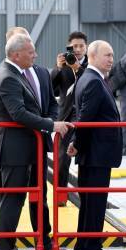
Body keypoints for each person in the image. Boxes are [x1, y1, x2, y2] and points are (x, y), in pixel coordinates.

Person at [0, 34, 72, 250]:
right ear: (16, 55)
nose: (35, 55)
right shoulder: (8, 77)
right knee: (13, 198)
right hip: (15, 149)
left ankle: (35, 242)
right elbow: (18, 113)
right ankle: (5, 249)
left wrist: (49, 121)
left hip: (28, 147)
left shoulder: (16, 74)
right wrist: (51, 125)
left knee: (34, 196)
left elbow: (43, 104)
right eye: (30, 52)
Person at [67, 40, 122, 250]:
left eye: (112, 55)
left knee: (90, 202)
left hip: (93, 151)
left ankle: (85, 243)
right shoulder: (93, 81)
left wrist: (75, 142)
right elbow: (86, 118)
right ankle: (90, 246)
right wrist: (77, 143)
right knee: (95, 202)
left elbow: (82, 115)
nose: (111, 59)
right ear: (93, 56)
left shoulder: (88, 78)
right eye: (107, 55)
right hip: (96, 152)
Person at [50, 31, 89, 205]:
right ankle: (60, 197)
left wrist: (77, 69)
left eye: (81, 46)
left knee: (85, 160)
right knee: (61, 160)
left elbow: (91, 80)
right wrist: (57, 68)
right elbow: (51, 89)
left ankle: (85, 196)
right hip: (65, 117)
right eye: (74, 46)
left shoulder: (92, 64)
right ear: (69, 47)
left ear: (86, 47)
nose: (78, 49)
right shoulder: (63, 65)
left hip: (84, 117)